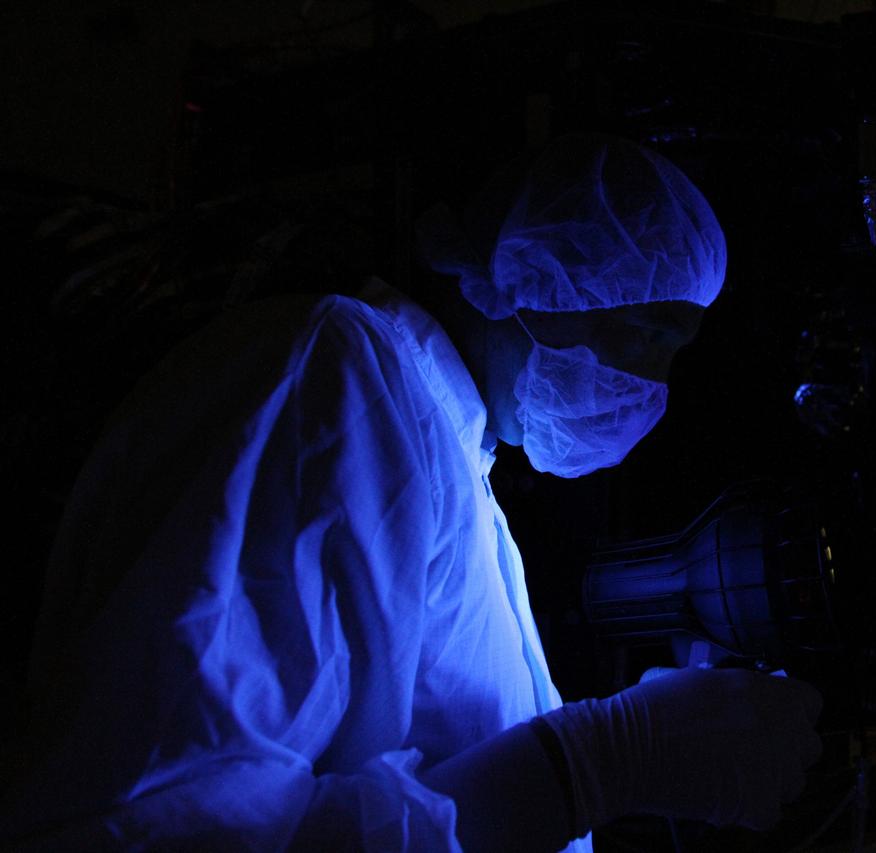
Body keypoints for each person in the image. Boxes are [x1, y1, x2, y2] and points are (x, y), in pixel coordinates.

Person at [1, 134, 823, 851]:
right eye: (645, 334)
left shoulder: (453, 460)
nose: (652, 385)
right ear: (533, 274)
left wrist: (617, 758)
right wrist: (602, 761)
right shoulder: (340, 383)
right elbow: (158, 826)